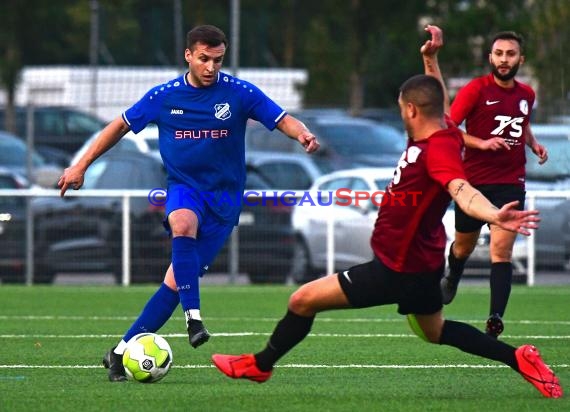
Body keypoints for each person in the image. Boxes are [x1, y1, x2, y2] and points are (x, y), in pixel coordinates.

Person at [211, 26, 562, 398]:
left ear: (409, 110)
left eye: (401, 107)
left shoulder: (438, 151)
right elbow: (436, 101)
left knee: (302, 300)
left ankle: (260, 365)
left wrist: (492, 214)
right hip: (423, 265)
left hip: (398, 266)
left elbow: (462, 189)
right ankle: (519, 358)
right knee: (435, 331)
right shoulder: (435, 133)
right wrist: (430, 58)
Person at [58, 24, 320, 382]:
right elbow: (118, 125)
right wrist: (81, 165)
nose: (211, 67)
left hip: (224, 202)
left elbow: (282, 119)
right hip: (184, 188)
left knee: (172, 284)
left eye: (217, 60)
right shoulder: (164, 96)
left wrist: (302, 132)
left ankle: (119, 353)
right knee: (182, 224)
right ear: (188, 56)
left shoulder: (239, 93)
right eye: (203, 59)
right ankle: (193, 317)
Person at [440, 31, 548, 338]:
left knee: (501, 253)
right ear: (490, 58)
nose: (504, 59)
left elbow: (521, 123)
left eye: (510, 54)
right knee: (464, 247)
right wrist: (482, 144)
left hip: (510, 183)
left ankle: (495, 318)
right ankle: (453, 275)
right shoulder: (476, 89)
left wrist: (533, 144)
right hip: (473, 185)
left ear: (520, 59)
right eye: (499, 54)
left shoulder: (527, 93)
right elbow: (449, 130)